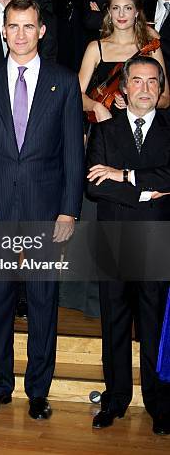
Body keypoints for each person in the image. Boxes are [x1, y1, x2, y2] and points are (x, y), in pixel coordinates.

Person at [0, 0, 84, 418]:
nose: (20, 34)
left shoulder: (64, 83)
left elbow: (72, 154)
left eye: (28, 26)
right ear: (4, 30)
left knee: (43, 299)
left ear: (41, 30)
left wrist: (69, 210)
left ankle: (38, 390)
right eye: (13, 26)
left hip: (45, 210)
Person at [86, 55, 170, 435]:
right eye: (137, 81)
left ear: (161, 87)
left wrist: (125, 175)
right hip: (114, 238)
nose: (145, 89)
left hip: (156, 238)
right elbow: (92, 184)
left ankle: (159, 404)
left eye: (153, 82)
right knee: (114, 323)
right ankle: (115, 399)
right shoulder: (105, 131)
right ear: (125, 87)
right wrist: (145, 192)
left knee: (154, 324)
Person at [79, 0, 169, 123]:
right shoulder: (95, 48)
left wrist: (137, 102)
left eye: (128, 8)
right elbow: (77, 94)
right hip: (104, 124)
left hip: (141, 123)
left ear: (137, 12)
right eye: (116, 8)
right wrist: (96, 107)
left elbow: (165, 98)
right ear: (109, 12)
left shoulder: (150, 48)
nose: (121, 14)